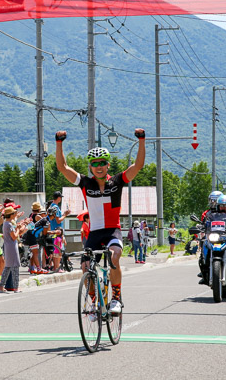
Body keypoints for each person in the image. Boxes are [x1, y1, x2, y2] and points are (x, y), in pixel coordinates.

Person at [56, 127, 146, 316]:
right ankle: (94, 301)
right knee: (85, 267)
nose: (99, 166)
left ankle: (116, 298)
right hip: (94, 233)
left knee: (114, 257)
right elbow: (62, 168)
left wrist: (141, 140)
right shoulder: (85, 183)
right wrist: (59, 143)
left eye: (102, 163)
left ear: (108, 165)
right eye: (94, 163)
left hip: (113, 230)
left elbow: (137, 166)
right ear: (90, 166)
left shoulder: (117, 181)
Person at [0, 206, 29, 293]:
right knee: (15, 267)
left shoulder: (6, 224)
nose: (15, 214)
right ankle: (16, 287)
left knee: (7, 267)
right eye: (14, 213)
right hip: (12, 247)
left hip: (8, 247)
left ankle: (1, 286)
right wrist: (18, 228)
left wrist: (20, 226)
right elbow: (14, 236)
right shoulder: (9, 224)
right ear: (10, 215)